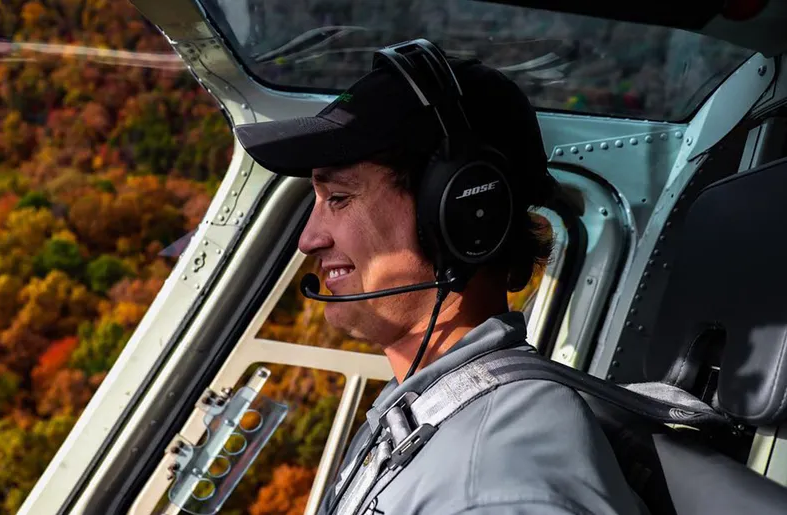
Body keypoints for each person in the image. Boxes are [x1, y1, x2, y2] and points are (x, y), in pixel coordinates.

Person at [234, 40, 644, 515]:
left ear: (462, 213)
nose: (308, 239)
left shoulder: (500, 477)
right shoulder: (422, 413)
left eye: (339, 199)